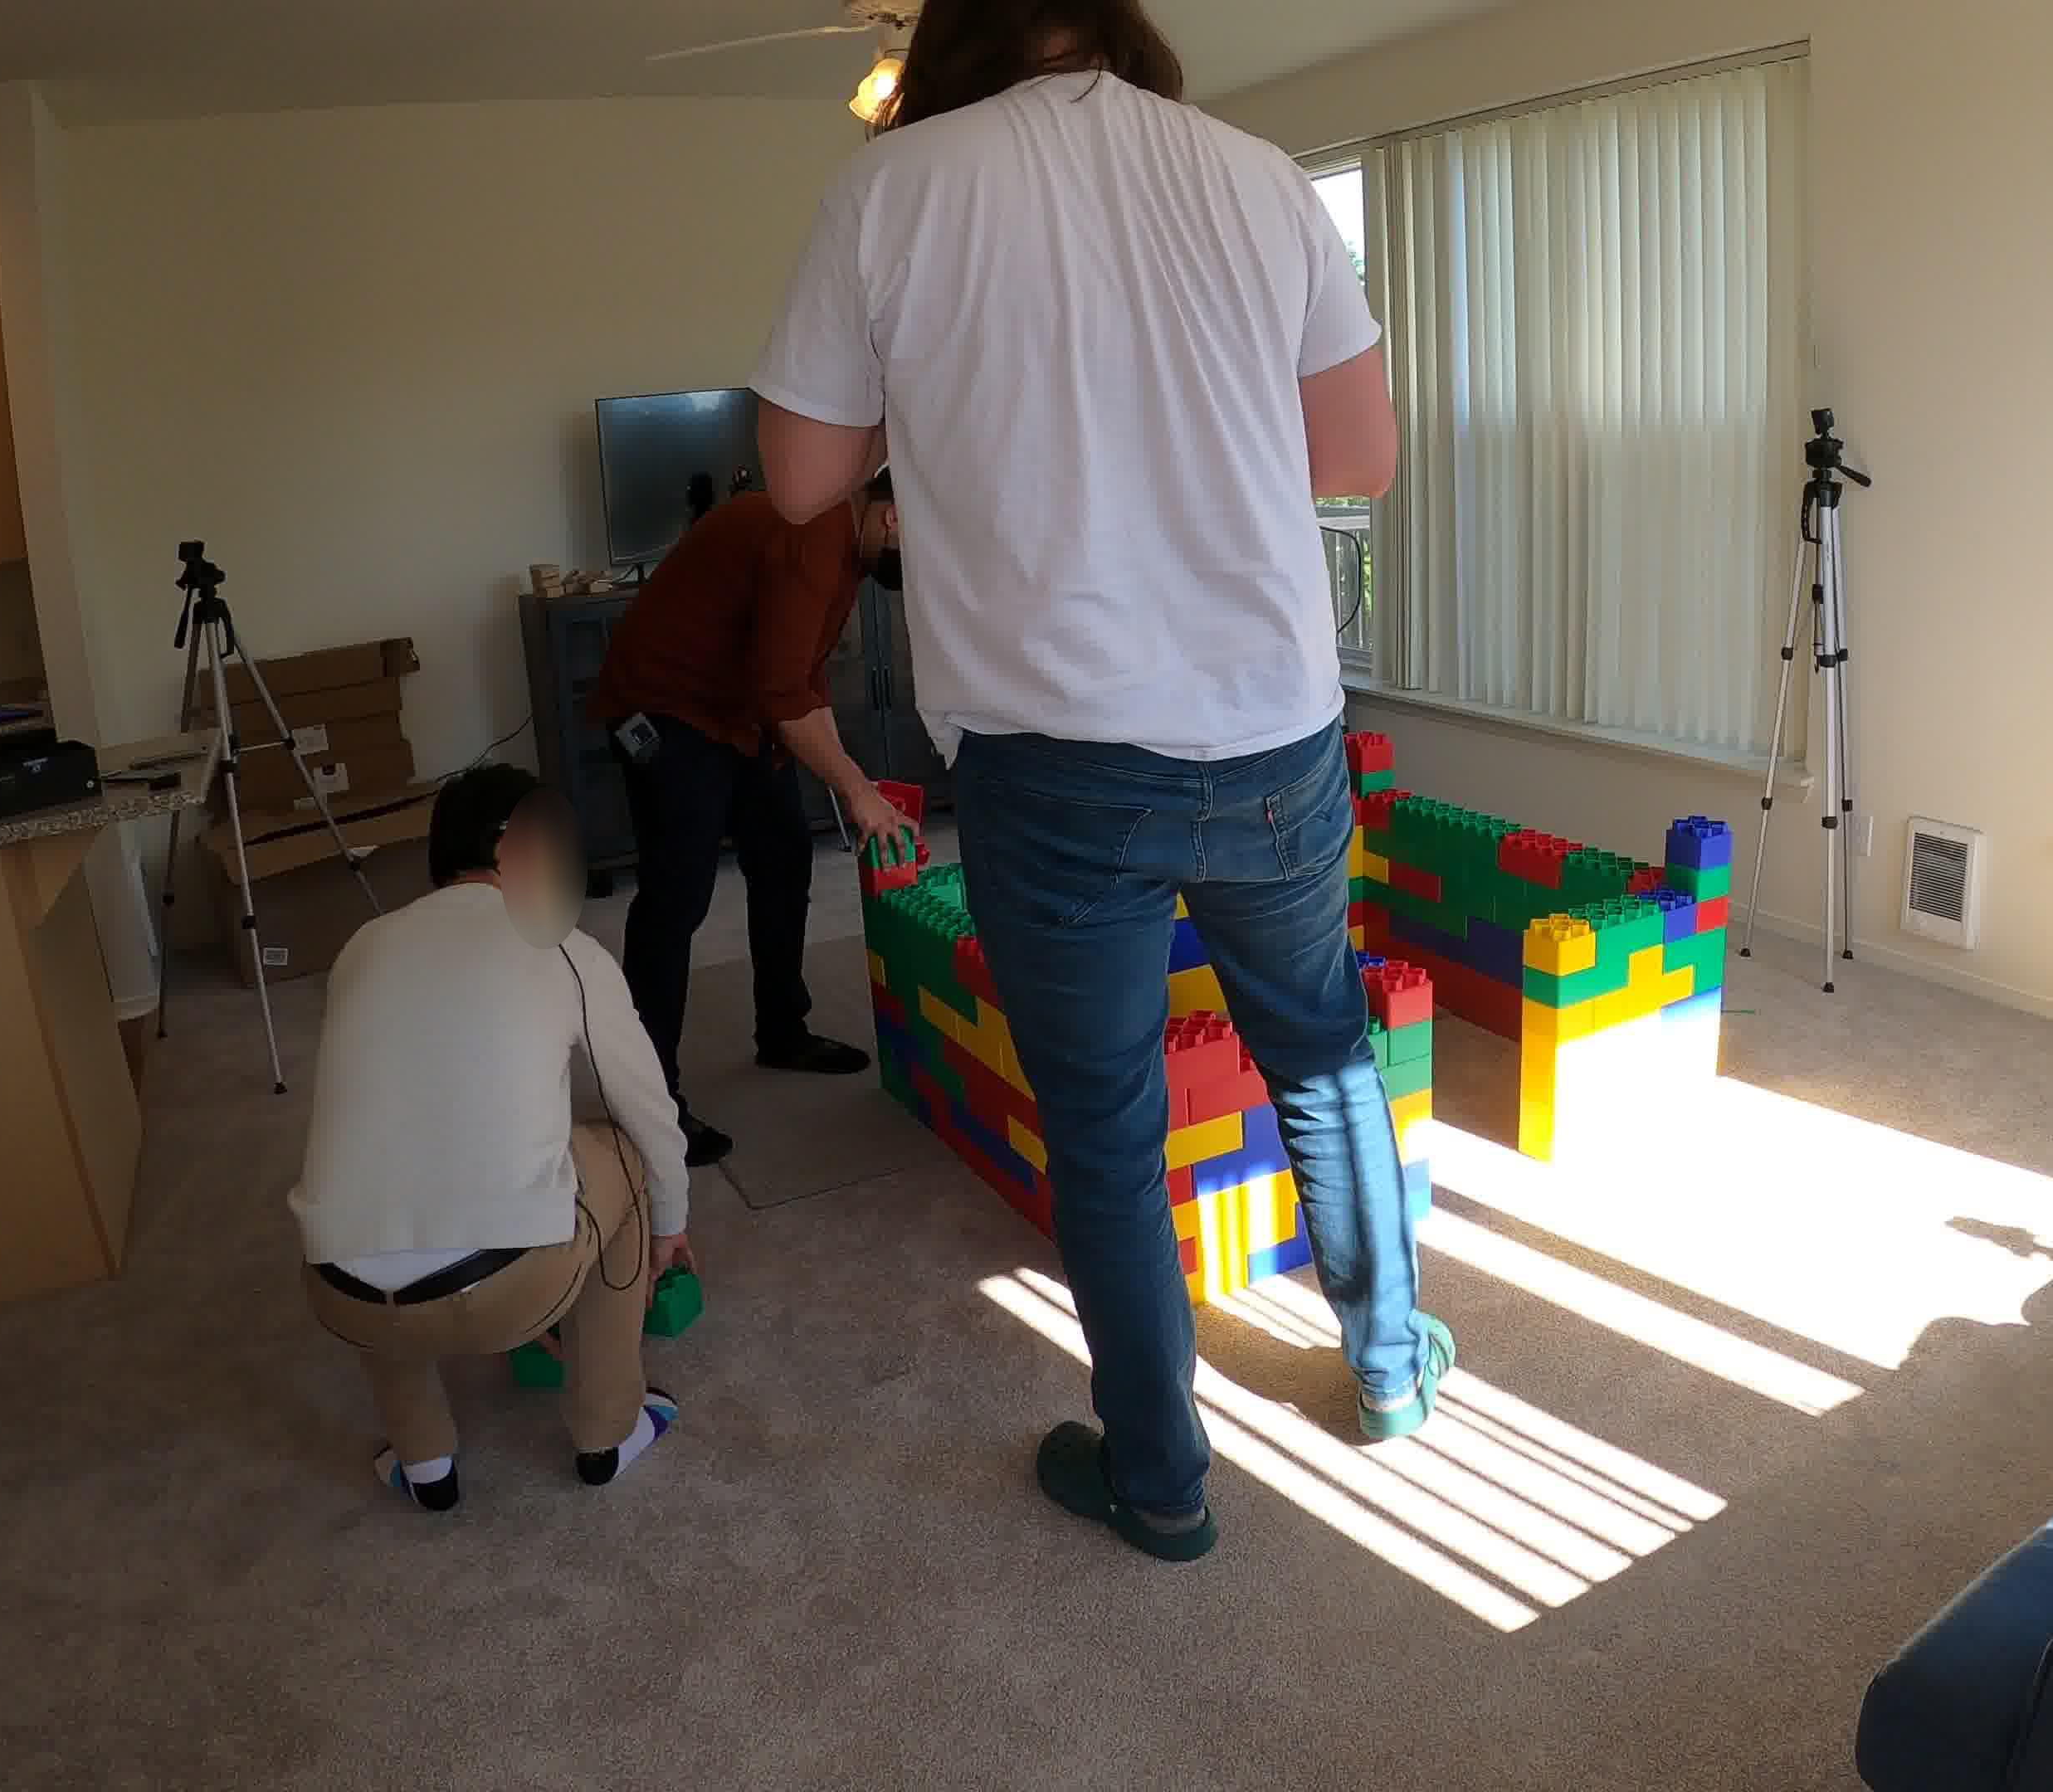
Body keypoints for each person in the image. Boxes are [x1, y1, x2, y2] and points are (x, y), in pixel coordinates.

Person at [749, 0, 1432, 1564]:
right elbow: (1359, 457)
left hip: (1055, 757)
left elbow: (799, 480)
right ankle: (1392, 1365)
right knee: (1323, 1053)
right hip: (1271, 726)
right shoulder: (1255, 174)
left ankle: (1161, 1479)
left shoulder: (892, 188)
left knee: (1109, 1127)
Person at [290, 767, 695, 1512]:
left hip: (340, 1294)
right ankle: (607, 1432)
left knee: (374, 1182)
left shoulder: (362, 946)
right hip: (508, 1291)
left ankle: (424, 1463)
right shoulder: (565, 947)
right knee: (624, 1151)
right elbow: (646, 1106)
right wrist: (668, 1224)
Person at [592, 485, 910, 1167]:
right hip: (664, 707)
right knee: (675, 899)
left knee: (784, 855)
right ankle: (650, 1105)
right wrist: (855, 790)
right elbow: (783, 693)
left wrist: (855, 782)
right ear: (894, 515)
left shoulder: (848, 547)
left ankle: (783, 1031)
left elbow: (802, 682)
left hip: (735, 711)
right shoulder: (813, 532)